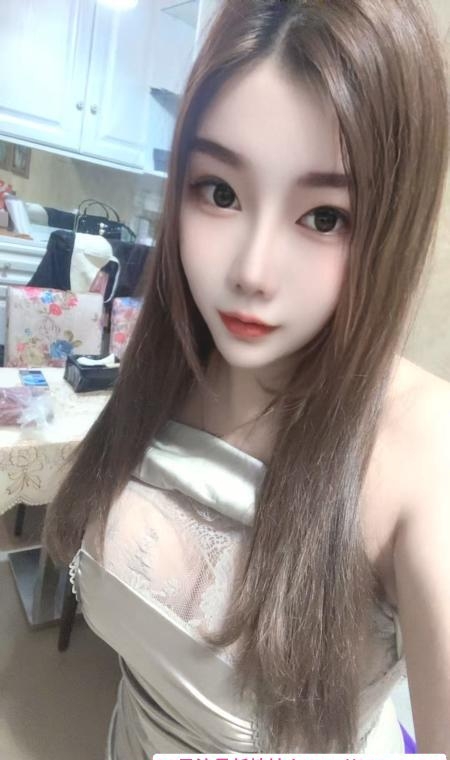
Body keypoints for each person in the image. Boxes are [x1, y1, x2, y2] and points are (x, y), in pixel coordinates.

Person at [43, 0, 450, 755]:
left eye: (324, 217)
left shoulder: (425, 449)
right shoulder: (174, 357)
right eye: (221, 193)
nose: (251, 274)